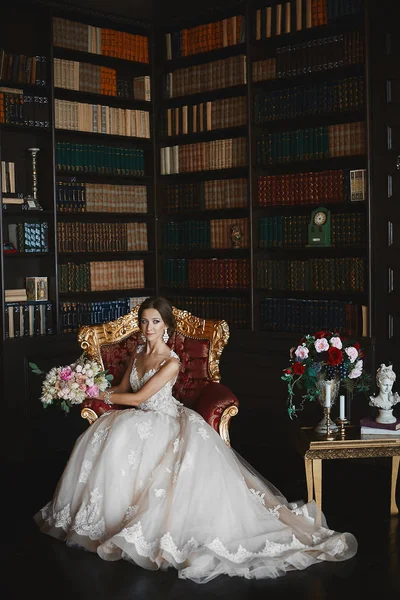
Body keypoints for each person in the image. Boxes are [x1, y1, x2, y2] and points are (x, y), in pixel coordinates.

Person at [34, 296, 357, 583]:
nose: (148, 328)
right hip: (134, 415)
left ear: (167, 327)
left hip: (164, 418)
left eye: (155, 322)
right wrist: (86, 389)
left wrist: (98, 392)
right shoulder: (138, 352)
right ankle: (106, 519)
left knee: (122, 436)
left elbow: (141, 397)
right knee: (106, 435)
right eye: (144, 322)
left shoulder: (171, 362)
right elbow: (122, 391)